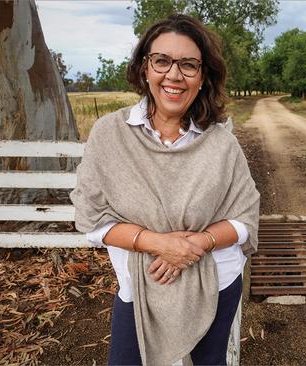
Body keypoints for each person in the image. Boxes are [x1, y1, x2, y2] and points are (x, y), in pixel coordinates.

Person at [69, 14, 260, 366]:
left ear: (203, 77)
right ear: (145, 68)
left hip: (217, 280)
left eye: (189, 65)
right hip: (138, 286)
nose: (174, 75)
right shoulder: (110, 134)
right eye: (162, 61)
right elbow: (92, 218)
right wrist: (159, 244)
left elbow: (245, 219)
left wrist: (197, 244)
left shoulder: (221, 143)